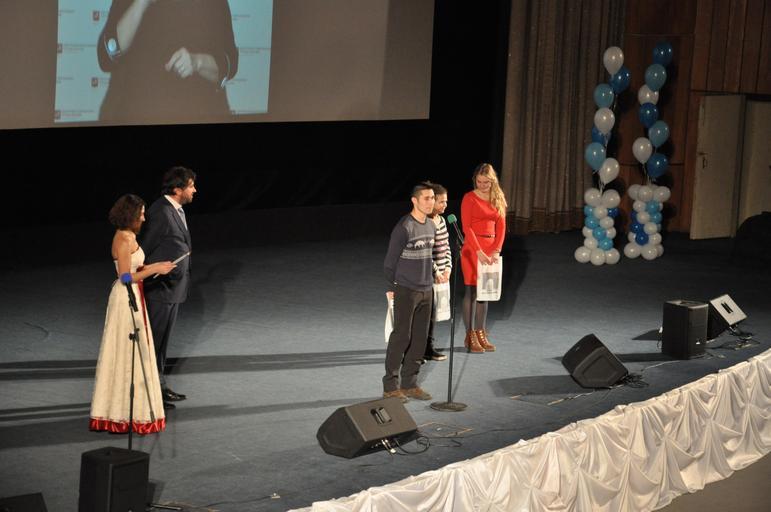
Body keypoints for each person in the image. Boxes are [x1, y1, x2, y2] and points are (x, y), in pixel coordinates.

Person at [90, 194, 176, 434]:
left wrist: (155, 267)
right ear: (131, 215)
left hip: (134, 295)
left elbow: (134, 269)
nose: (144, 219)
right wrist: (154, 269)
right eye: (141, 214)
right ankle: (121, 413)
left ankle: (133, 408)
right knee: (126, 352)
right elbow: (125, 277)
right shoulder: (124, 238)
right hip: (125, 298)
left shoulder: (130, 236)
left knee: (135, 352)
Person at [97, 0, 239, 123]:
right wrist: (141, 2)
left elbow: (230, 64)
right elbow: (106, 57)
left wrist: (197, 62)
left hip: (197, 112)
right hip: (139, 113)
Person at [141, 166, 196, 409]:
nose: (195, 190)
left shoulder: (174, 209)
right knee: (154, 342)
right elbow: (144, 248)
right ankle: (150, 394)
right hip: (160, 288)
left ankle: (158, 388)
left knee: (161, 344)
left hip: (172, 287)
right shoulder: (161, 212)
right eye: (191, 186)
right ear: (177, 189)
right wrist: (151, 272)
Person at [383, 183, 437, 402]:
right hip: (406, 289)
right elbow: (389, 263)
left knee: (420, 338)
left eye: (433, 198)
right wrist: (391, 287)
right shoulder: (404, 227)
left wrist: (436, 274)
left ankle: (409, 383)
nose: (431, 202)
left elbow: (429, 256)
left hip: (427, 289)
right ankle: (390, 386)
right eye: (426, 198)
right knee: (401, 337)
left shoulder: (431, 225)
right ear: (414, 200)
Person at [460, 163, 507, 353]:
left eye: (486, 182)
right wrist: (478, 250)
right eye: (479, 182)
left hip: (491, 248)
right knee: (471, 291)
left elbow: (501, 226)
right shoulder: (469, 198)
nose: (482, 185)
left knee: (485, 292)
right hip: (473, 248)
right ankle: (469, 335)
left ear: (492, 181)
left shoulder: (498, 198)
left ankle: (481, 333)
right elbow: (467, 227)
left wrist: (496, 250)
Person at [424, 183, 451, 362]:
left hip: (441, 274)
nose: (444, 205)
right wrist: (436, 272)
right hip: (428, 275)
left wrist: (448, 268)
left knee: (433, 313)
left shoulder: (442, 221)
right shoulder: (425, 223)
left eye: (446, 201)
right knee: (425, 314)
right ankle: (420, 348)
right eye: (441, 202)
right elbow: (426, 252)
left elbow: (446, 247)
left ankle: (428, 347)